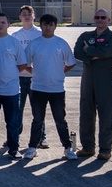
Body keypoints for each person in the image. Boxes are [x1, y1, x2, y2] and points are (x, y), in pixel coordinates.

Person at [23, 14, 77, 161]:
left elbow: (71, 62)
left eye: (51, 25)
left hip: (57, 89)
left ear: (55, 26)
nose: (48, 27)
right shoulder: (34, 44)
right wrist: (35, 73)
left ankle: (67, 148)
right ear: (40, 26)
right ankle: (33, 147)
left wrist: (59, 72)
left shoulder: (61, 43)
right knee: (37, 120)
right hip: (38, 89)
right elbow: (25, 64)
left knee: (60, 120)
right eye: (45, 24)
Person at [73, 9, 112, 160]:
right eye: (97, 17)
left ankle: (105, 149)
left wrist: (89, 50)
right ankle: (88, 147)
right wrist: (93, 55)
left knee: (107, 114)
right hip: (88, 78)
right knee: (86, 112)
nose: (100, 20)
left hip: (106, 80)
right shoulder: (86, 36)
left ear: (109, 19)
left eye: (103, 17)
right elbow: (77, 53)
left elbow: (109, 51)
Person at [0, 14, 27, 160]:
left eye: (3, 22)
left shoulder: (14, 42)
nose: (0, 25)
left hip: (11, 91)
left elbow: (22, 64)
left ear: (8, 24)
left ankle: (14, 148)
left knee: (12, 121)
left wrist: (9, 75)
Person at [12, 5, 46, 150]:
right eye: (23, 14)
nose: (26, 16)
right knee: (17, 110)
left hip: (35, 78)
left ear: (34, 16)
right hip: (19, 77)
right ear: (19, 17)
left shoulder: (40, 34)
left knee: (37, 109)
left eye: (29, 13)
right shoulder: (15, 36)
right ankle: (14, 137)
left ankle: (41, 138)